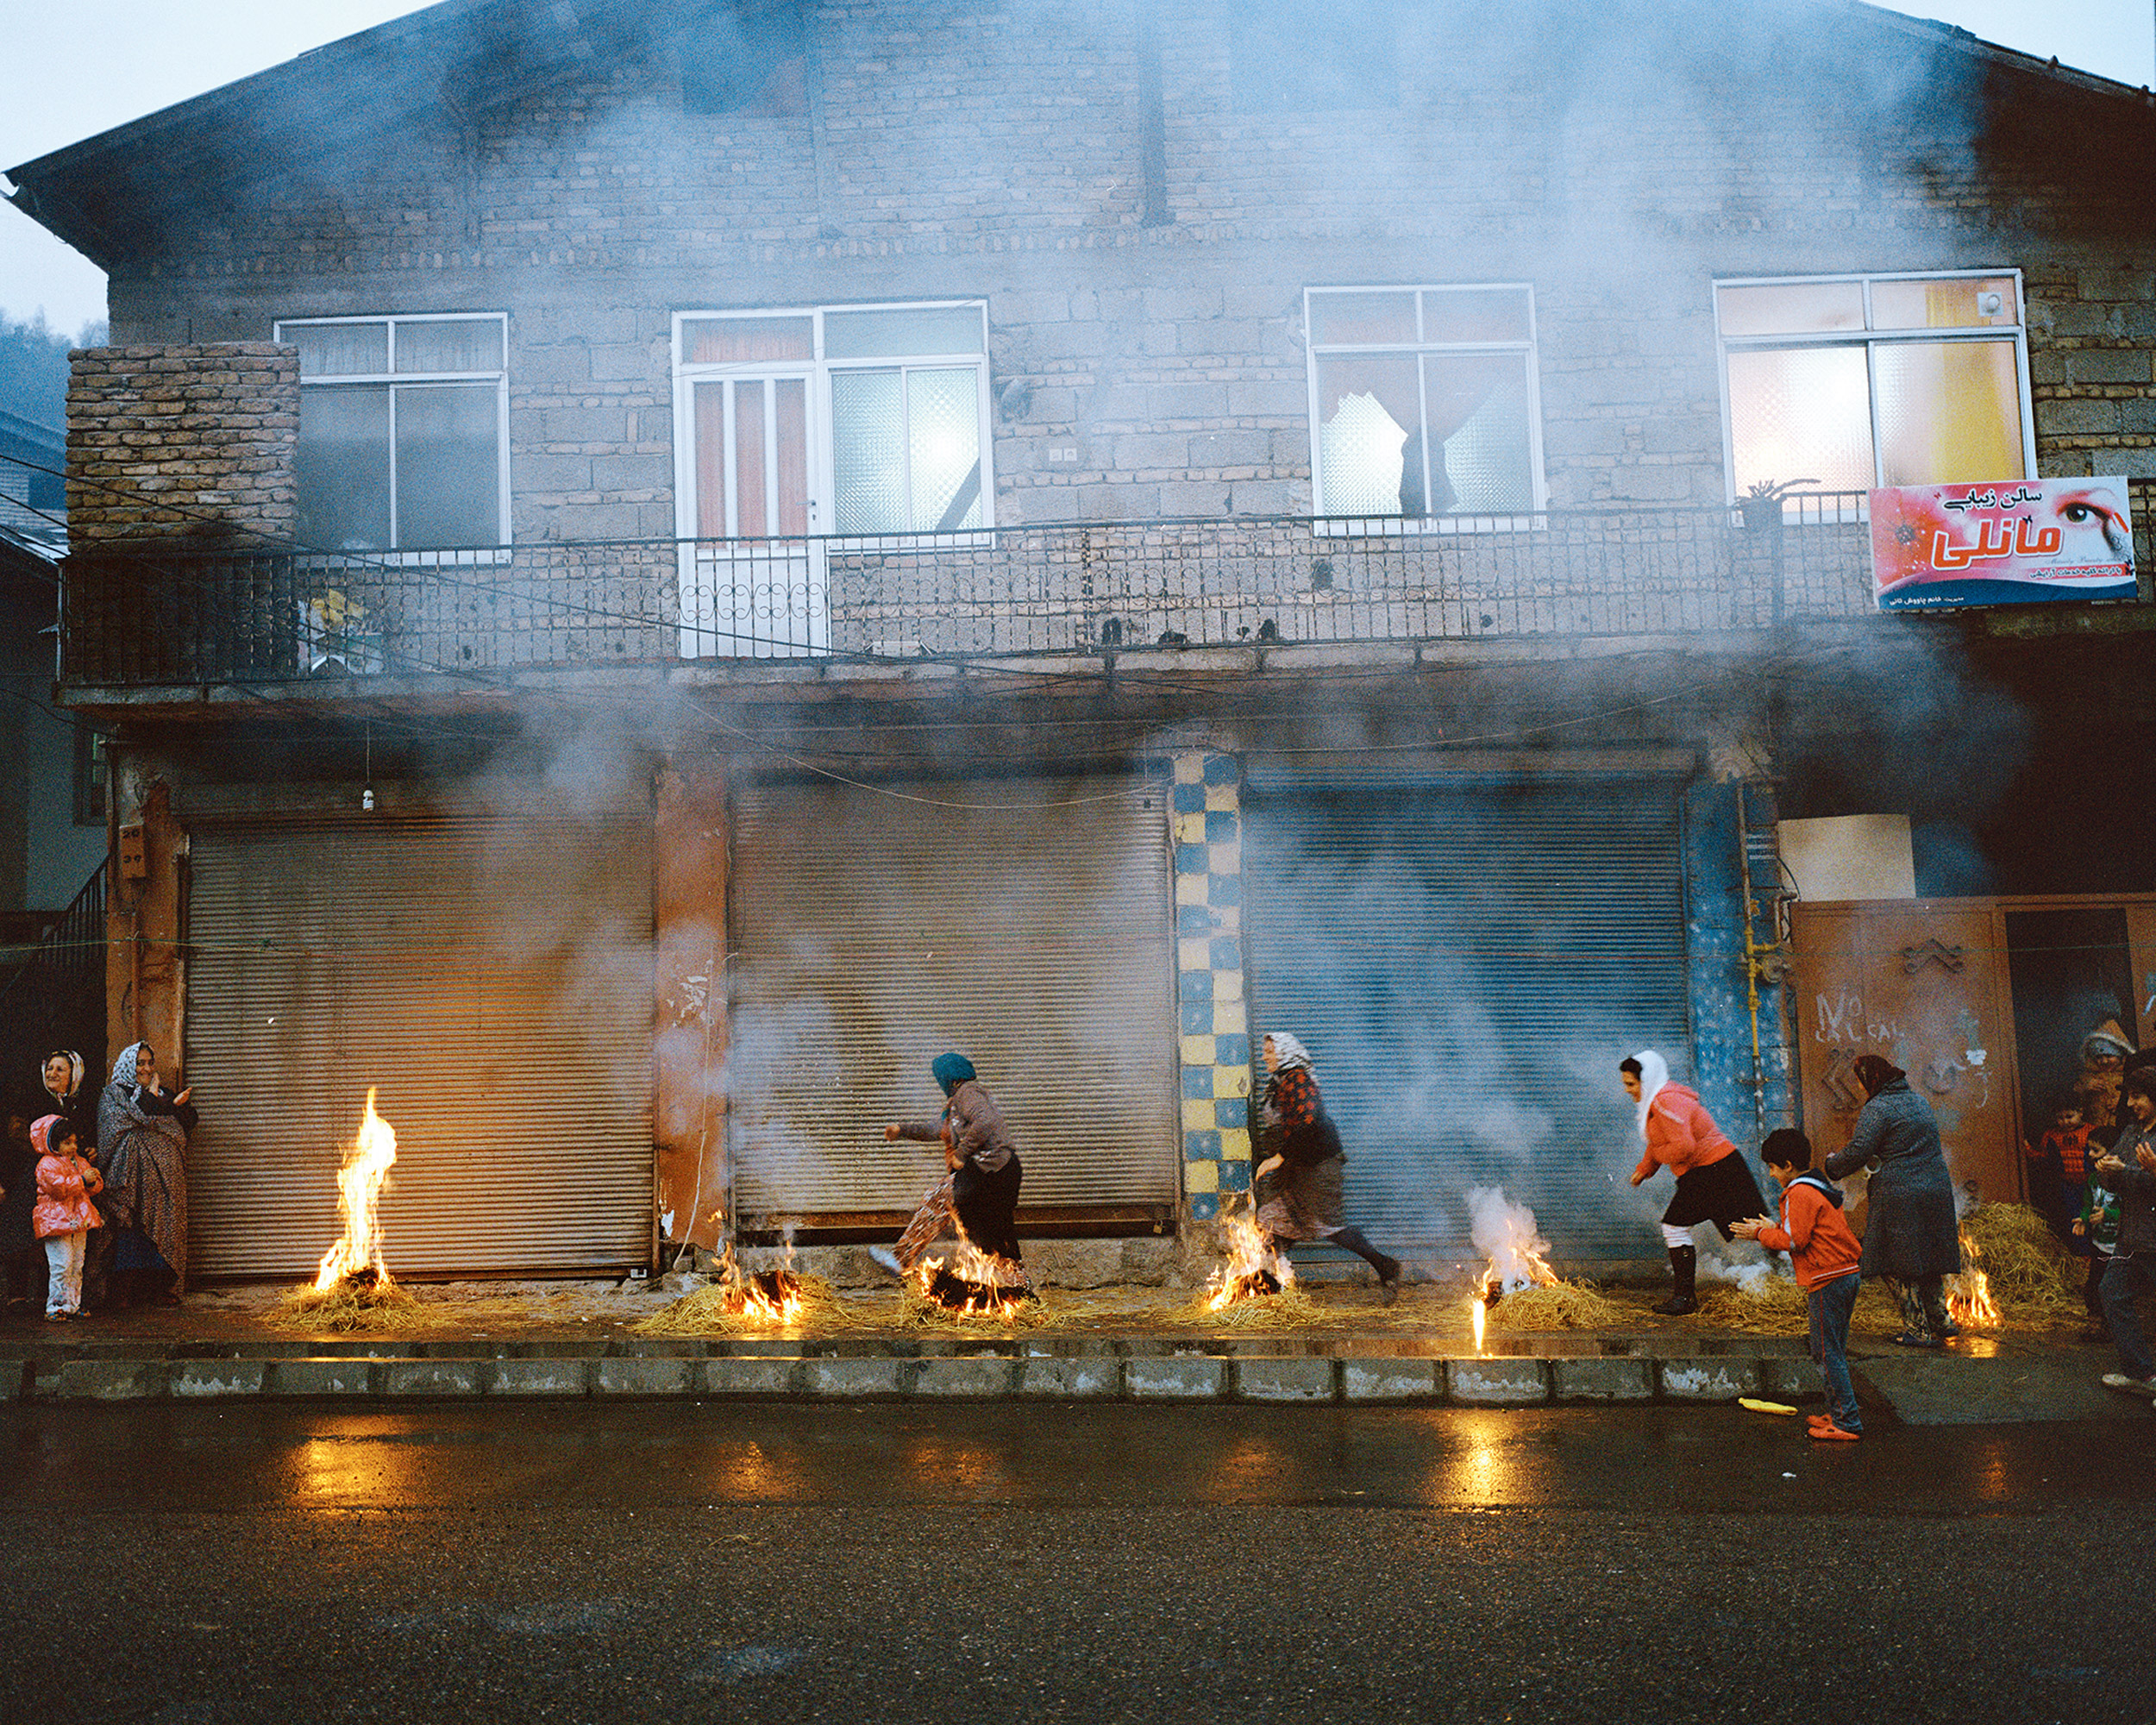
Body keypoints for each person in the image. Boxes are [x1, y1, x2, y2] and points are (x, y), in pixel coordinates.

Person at [1821, 1054, 1962, 1348]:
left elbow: (1860, 1148)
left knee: (1891, 1260)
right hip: (1935, 1188)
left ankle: (1917, 1329)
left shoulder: (1879, 1107)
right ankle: (1941, 1320)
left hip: (1900, 1193)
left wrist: (1833, 1166)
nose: (1860, 1088)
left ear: (1870, 1080)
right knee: (1927, 1256)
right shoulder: (1919, 1101)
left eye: (1861, 1082)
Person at [1733, 1128, 1865, 1442]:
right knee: (1834, 1349)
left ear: (1788, 1165)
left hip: (1827, 1279)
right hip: (1846, 1273)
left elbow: (1795, 1240)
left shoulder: (1797, 1192)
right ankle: (1838, 1411)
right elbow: (1807, 1230)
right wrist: (1772, 1226)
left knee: (1825, 1352)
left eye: (1773, 1167)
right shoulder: (1817, 1185)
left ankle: (1847, 1421)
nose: (1771, 1173)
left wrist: (1760, 1235)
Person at [1252, 1032, 1402, 1303]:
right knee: (1273, 1220)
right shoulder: (1281, 1082)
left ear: (1285, 1053)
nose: (1264, 1057)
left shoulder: (1298, 1081)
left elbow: (1309, 1124)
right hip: (1299, 1168)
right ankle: (1267, 1284)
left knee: (1327, 1226)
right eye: (1265, 1052)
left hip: (1318, 1168)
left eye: (1270, 1052)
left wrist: (1278, 1158)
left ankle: (1385, 1265)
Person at [1621, 1051, 1766, 1315]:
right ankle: (1786, 1273)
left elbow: (1683, 1147)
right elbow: (1658, 1142)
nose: (1628, 1090)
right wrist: (1645, 1169)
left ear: (1647, 1079)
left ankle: (1685, 1299)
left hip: (1713, 1170)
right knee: (1751, 1228)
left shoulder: (1666, 1101)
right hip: (1712, 1170)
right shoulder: (1657, 1101)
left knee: (1677, 1227)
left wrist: (1659, 1160)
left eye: (1631, 1084)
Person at [878, 1052, 1031, 1296]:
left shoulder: (967, 1093)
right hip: (996, 1172)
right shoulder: (957, 1104)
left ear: (947, 1077)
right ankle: (1020, 1287)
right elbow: (937, 1130)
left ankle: (902, 1258)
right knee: (990, 1233)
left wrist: (961, 1153)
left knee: (938, 1198)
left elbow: (986, 1120)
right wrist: (902, 1130)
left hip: (991, 1170)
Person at [97, 1042, 197, 1305]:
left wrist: (172, 1105)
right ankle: (122, 1290)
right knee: (129, 1229)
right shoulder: (113, 1094)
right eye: (140, 1063)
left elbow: (184, 1123)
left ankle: (157, 1289)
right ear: (129, 1064)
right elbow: (116, 1126)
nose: (146, 1068)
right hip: (129, 1179)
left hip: (163, 1182)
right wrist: (153, 1105)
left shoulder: (164, 1093)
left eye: (150, 1062)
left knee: (163, 1228)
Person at [2093, 1069, 2156, 1398]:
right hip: (2132, 1237)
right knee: (2112, 1292)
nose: (2130, 1104)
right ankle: (2141, 1373)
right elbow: (2113, 1179)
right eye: (2129, 1097)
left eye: (2137, 1096)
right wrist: (2106, 1171)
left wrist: (2130, 1173)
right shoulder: (2132, 1133)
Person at [31, 1116, 103, 1321]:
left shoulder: (79, 1161)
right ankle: (56, 1306)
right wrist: (82, 1180)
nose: (73, 1147)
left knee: (77, 1263)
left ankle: (72, 1303)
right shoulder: (46, 1164)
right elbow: (58, 1189)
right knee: (61, 1263)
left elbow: (94, 1188)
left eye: (74, 1142)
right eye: (67, 1142)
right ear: (53, 1142)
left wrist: (93, 1181)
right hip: (56, 1220)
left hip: (77, 1219)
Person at [2025, 1093, 2095, 1238]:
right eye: (2060, 1118)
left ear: (2080, 1112)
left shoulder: (2092, 1131)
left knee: (2092, 1216)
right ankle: (2080, 1252)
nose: (2065, 1122)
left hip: (2091, 1183)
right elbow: (2043, 1158)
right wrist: (2028, 1149)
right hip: (2067, 1186)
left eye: (2069, 1117)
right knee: (2073, 1217)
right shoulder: (2051, 1135)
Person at [2071, 1147, 2122, 1345]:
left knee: (2113, 1289)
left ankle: (2112, 1328)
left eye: (2096, 1149)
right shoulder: (2093, 1180)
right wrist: (2084, 1219)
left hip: (2118, 1246)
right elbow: (2088, 1204)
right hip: (2099, 1243)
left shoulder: (2122, 1181)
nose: (2090, 1154)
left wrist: (2107, 1215)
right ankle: (2095, 1326)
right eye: (2089, 1149)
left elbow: (2128, 1210)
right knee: (2093, 1285)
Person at [0, 1104, 41, 1312]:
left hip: (22, 1184)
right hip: (7, 1183)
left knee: (20, 1238)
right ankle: (16, 1295)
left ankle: (20, 1294)